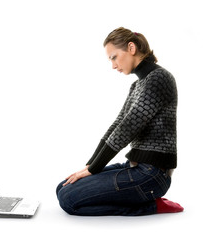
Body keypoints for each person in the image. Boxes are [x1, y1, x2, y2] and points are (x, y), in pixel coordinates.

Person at [56, 27, 184, 216]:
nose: (113, 66)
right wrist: (90, 165)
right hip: (135, 166)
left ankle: (151, 206)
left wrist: (95, 169)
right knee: (62, 188)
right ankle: (143, 198)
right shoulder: (137, 84)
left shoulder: (159, 78)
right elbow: (117, 124)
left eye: (114, 57)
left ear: (131, 48)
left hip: (152, 176)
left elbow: (128, 128)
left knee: (69, 201)